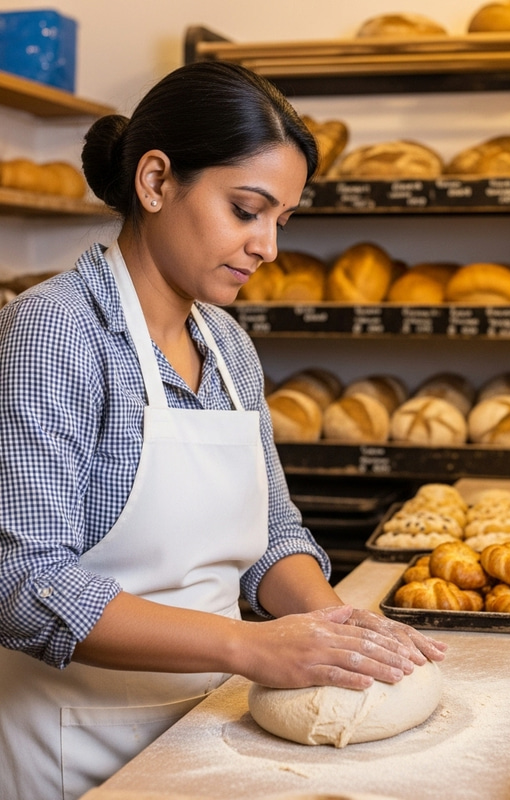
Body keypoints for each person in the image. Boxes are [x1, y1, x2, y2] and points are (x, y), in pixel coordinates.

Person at [0, 60, 446, 800]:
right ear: (155, 182)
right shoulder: (57, 331)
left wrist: (340, 633)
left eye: (281, 220)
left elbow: (270, 536)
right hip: (73, 749)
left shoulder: (228, 344)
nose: (268, 246)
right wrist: (250, 644)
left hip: (206, 733)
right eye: (247, 209)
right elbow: (23, 583)